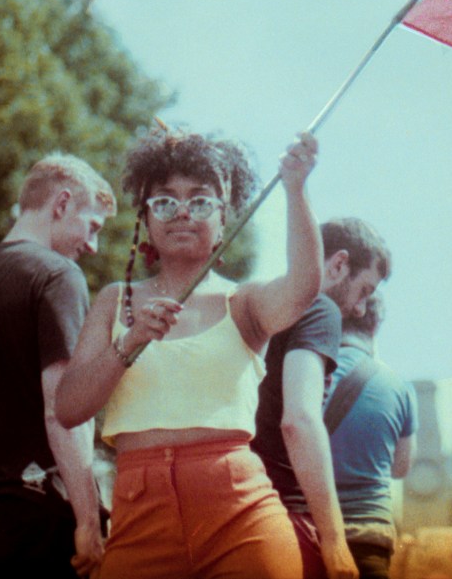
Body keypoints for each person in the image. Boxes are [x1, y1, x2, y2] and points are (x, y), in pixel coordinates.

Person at [56, 126, 322, 579]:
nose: (182, 213)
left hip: (243, 518)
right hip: (138, 523)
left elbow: (302, 288)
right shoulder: (114, 301)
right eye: (165, 201)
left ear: (223, 221)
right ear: (146, 217)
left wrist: (296, 190)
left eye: (200, 201)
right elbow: (68, 407)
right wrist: (131, 339)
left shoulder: (245, 302)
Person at [0, 153, 117, 579]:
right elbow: (61, 407)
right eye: (93, 226)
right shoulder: (58, 276)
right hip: (37, 516)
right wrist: (87, 519)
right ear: (62, 204)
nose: (92, 245)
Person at [253, 217, 391, 579]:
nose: (361, 309)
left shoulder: (256, 305)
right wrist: (333, 539)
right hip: (283, 518)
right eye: (364, 291)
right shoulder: (319, 308)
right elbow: (298, 421)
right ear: (339, 264)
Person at [327, 294, 417, 579]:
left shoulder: (303, 376)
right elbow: (401, 468)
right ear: (375, 326)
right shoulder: (399, 387)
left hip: (304, 533)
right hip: (368, 538)